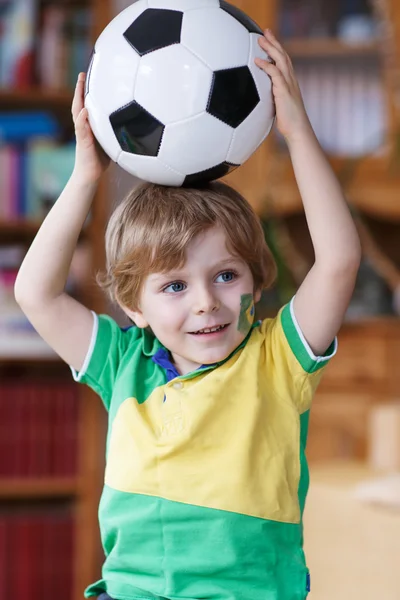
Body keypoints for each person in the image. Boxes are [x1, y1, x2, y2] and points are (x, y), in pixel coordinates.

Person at [15, 29, 361, 600]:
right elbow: (37, 294)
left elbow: (339, 260)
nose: (206, 301)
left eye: (226, 275)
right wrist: (85, 176)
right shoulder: (124, 364)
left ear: (255, 278)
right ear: (134, 305)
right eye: (174, 285)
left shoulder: (278, 360)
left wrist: (297, 133)